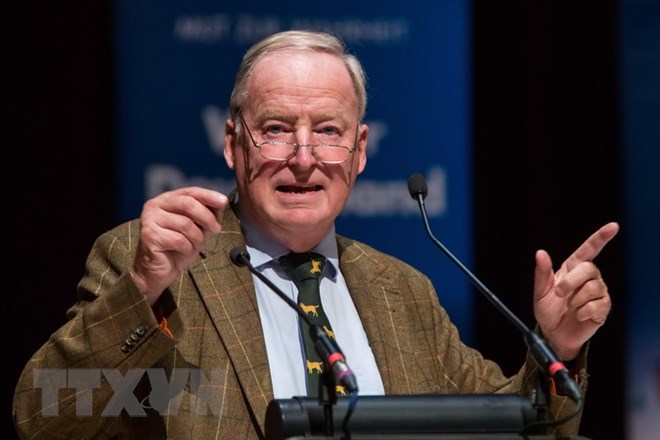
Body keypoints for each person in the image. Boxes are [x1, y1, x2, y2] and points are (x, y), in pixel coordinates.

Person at [12, 29, 619, 439]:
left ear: (358, 153)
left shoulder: (401, 291)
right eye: (276, 128)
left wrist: (557, 349)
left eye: (328, 131)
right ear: (231, 144)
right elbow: (43, 418)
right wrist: (143, 288)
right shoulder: (152, 265)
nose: (303, 158)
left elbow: (518, 428)